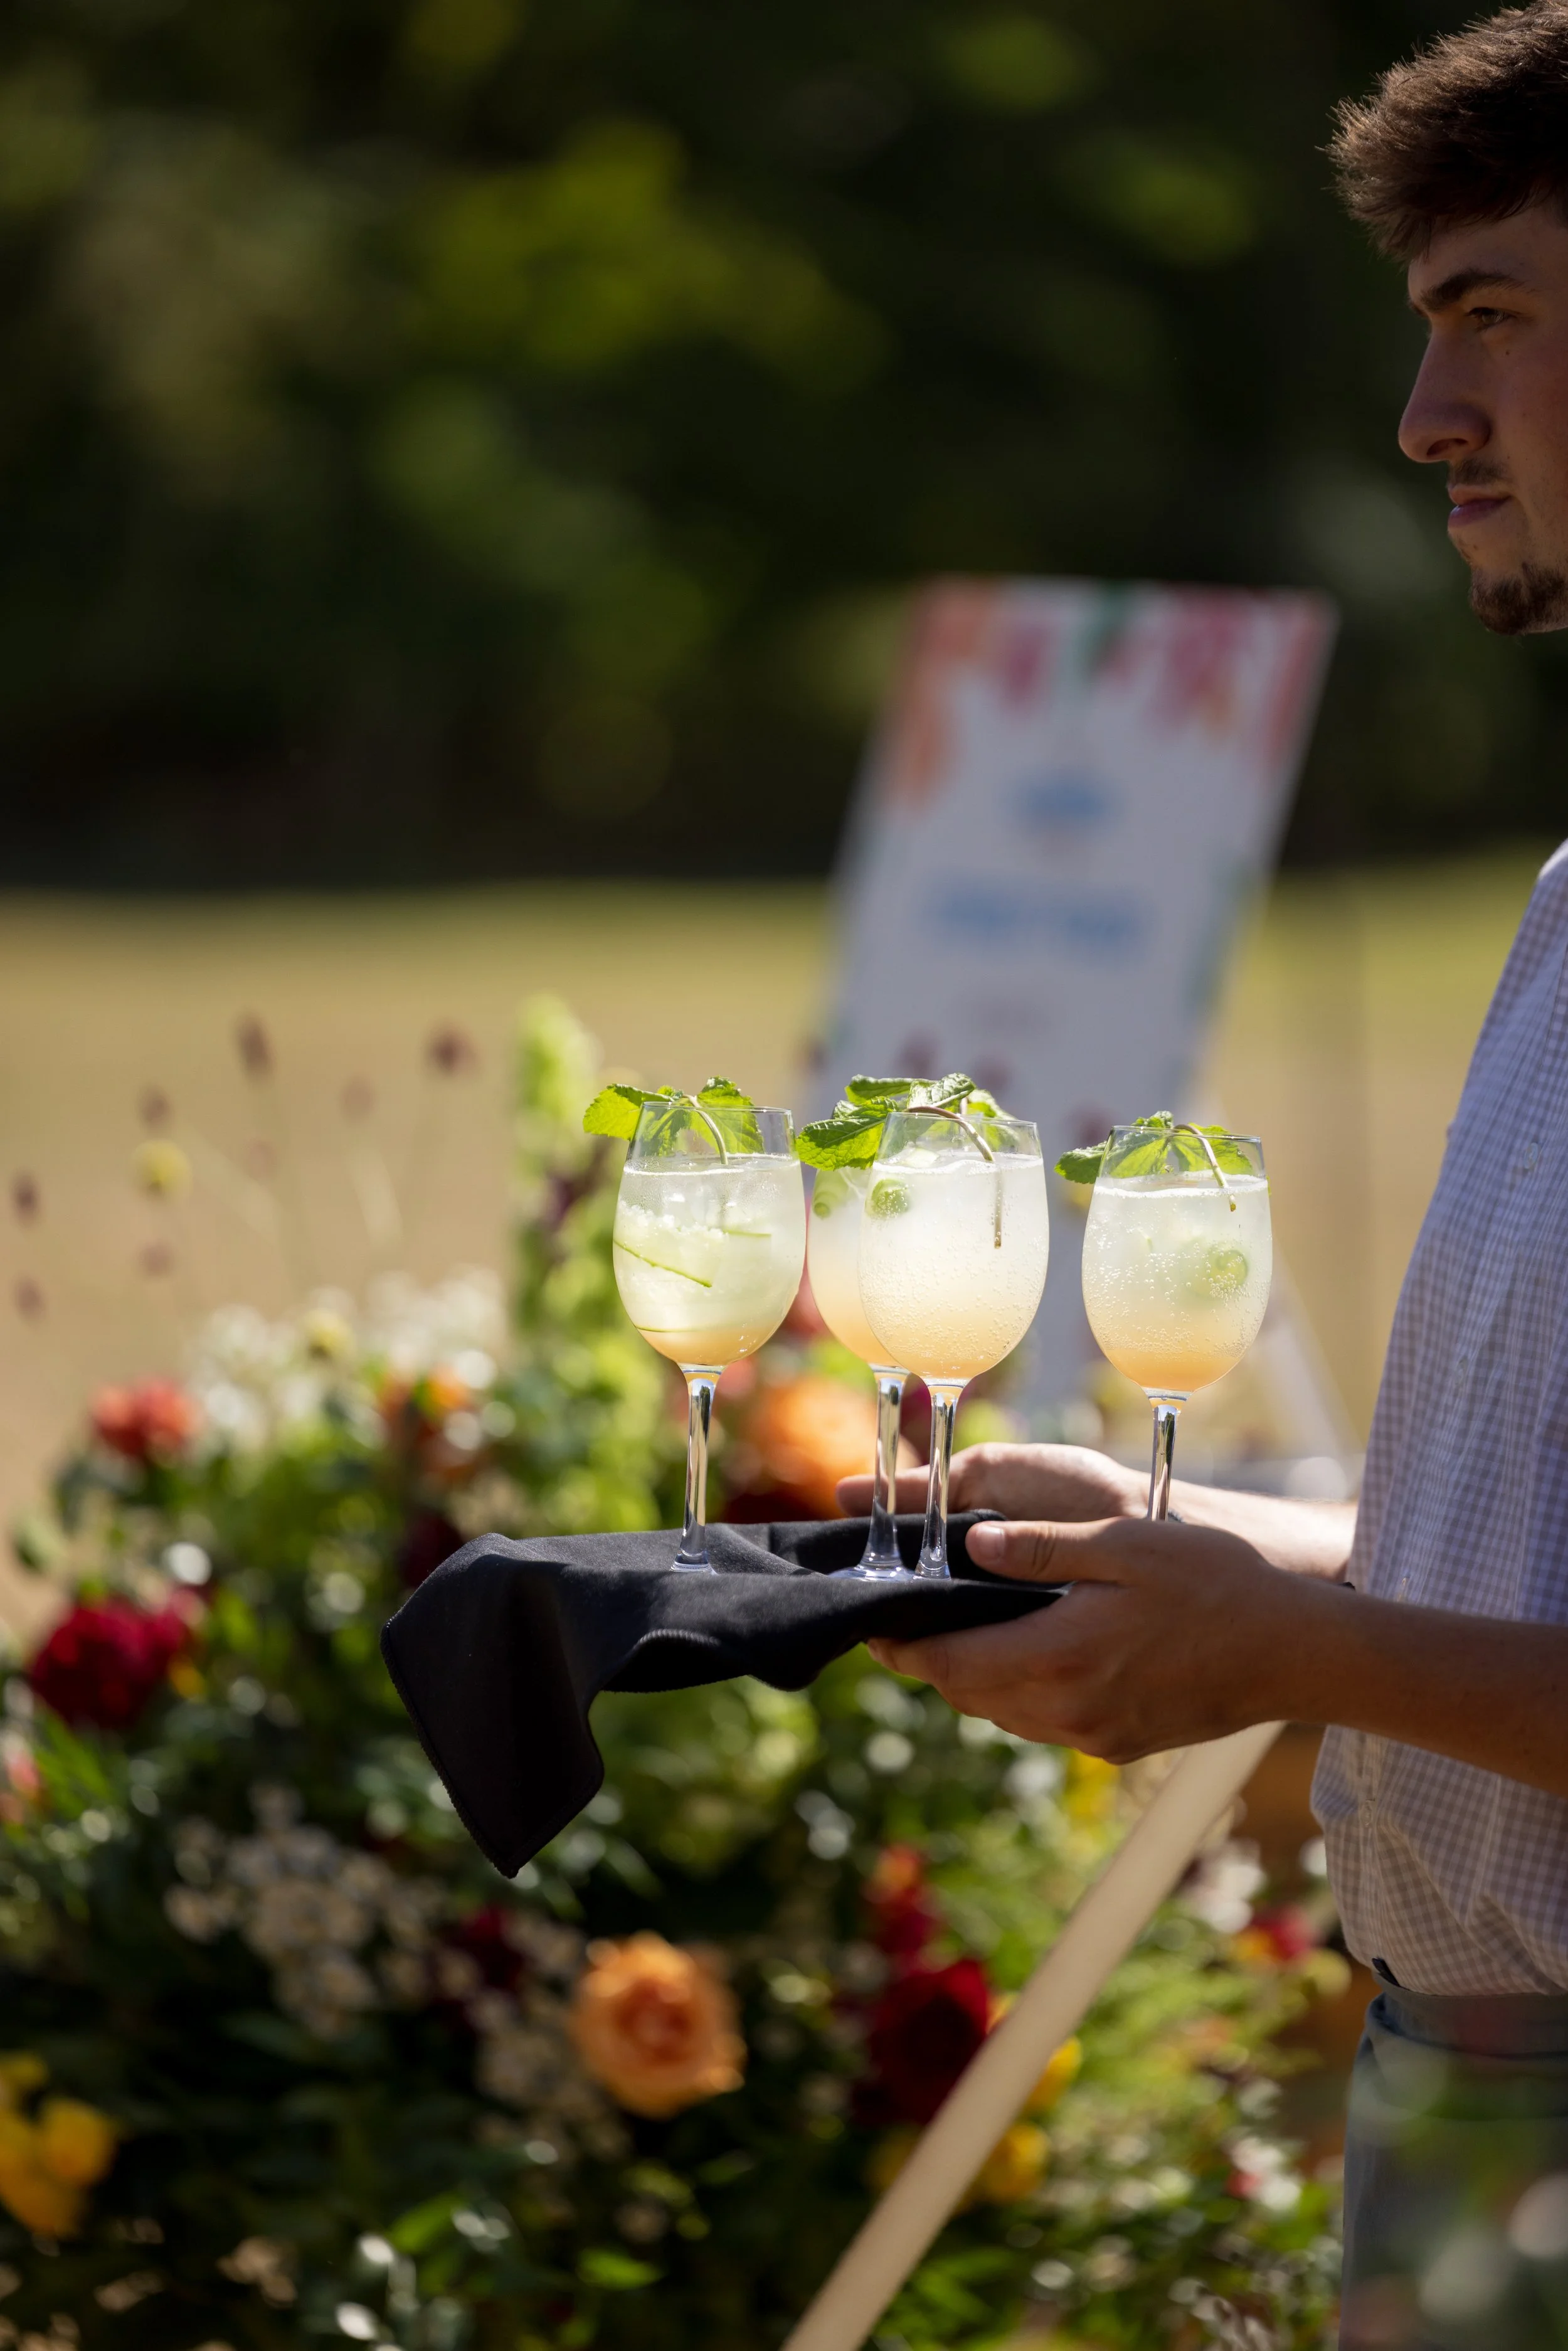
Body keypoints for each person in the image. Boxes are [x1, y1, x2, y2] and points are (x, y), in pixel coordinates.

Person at [839, 10, 1568, 2343]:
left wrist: (1291, 1647)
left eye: (1493, 317)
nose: (1420, 417)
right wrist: (1198, 1550)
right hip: (1459, 2103)